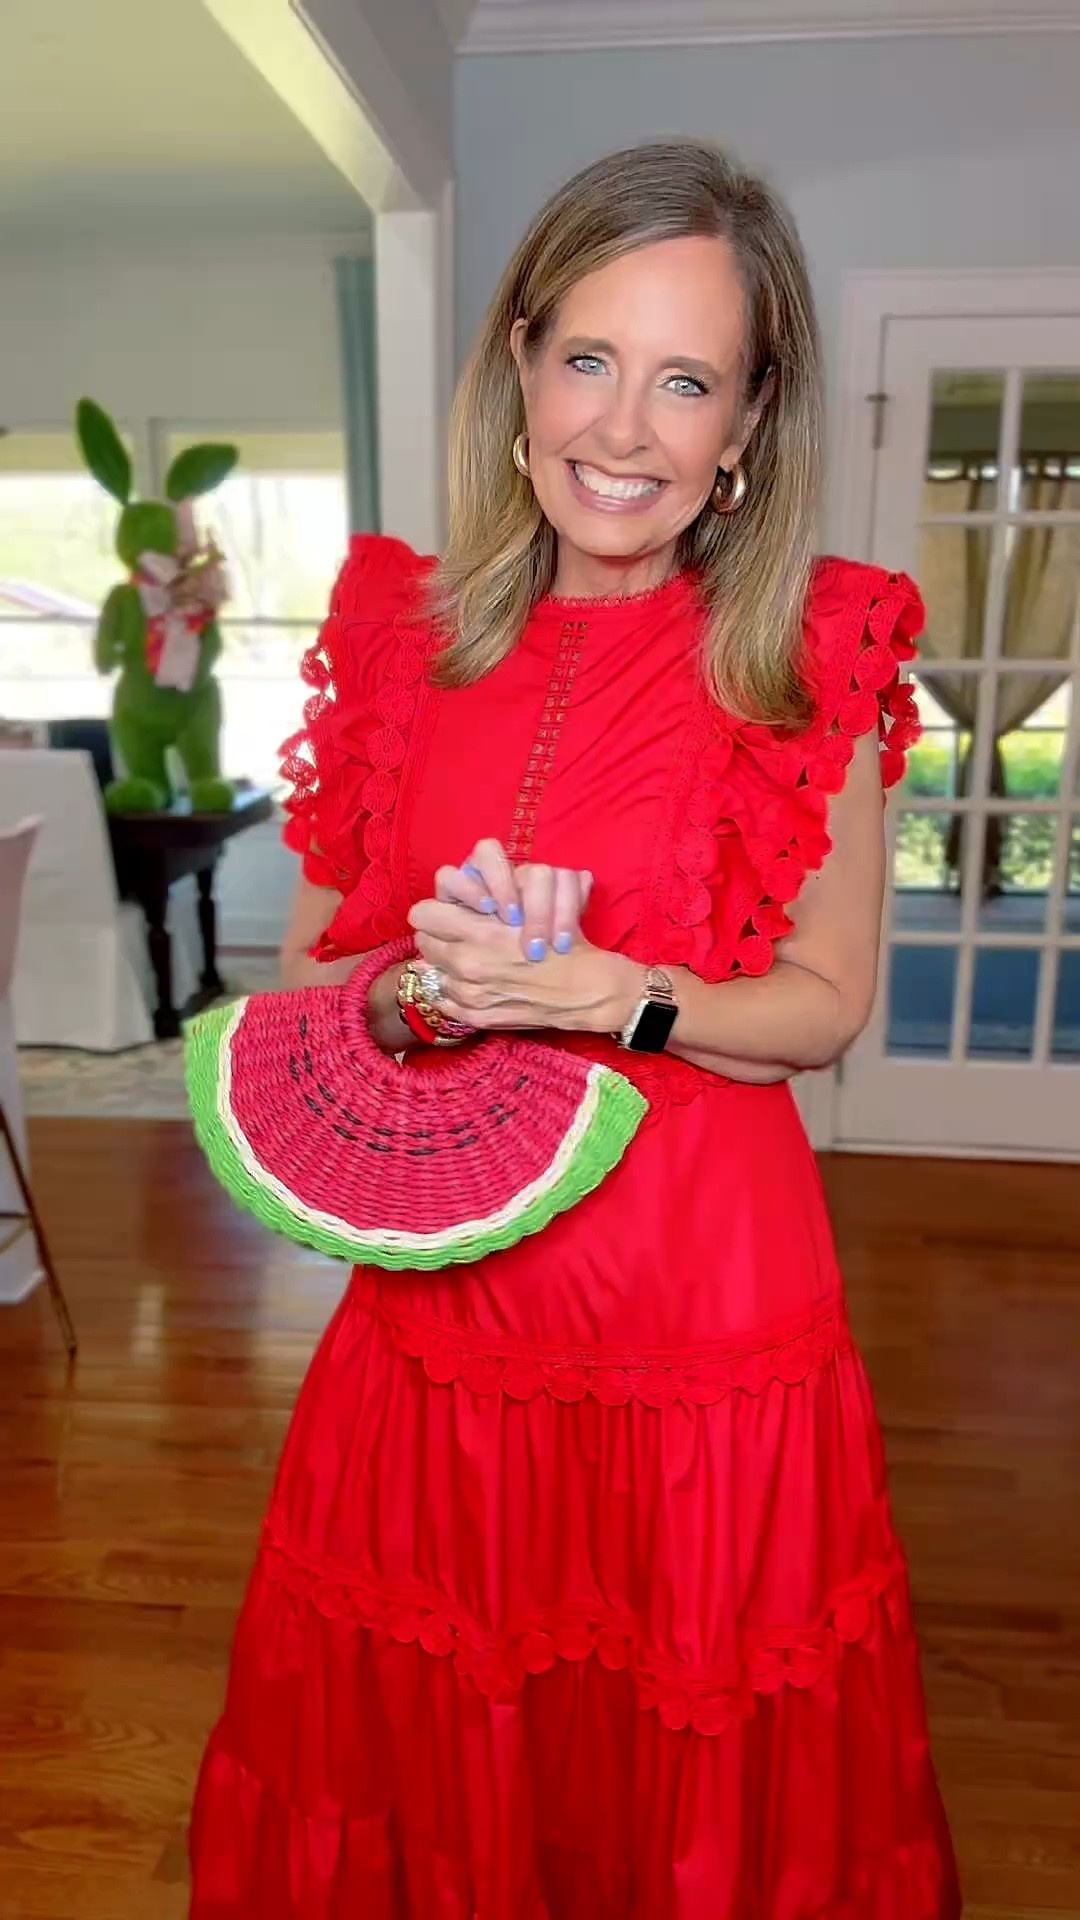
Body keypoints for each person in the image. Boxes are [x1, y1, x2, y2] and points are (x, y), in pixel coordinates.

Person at [189, 140, 961, 1917]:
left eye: (687, 378)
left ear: (750, 416)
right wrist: (410, 988)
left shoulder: (813, 649)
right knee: (438, 1735)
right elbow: (324, 966)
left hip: (705, 1322)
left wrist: (635, 996)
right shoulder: (401, 634)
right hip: (444, 1322)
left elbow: (826, 1007)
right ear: (519, 366)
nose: (626, 428)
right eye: (590, 359)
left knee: (682, 1754)